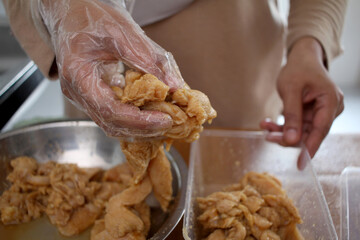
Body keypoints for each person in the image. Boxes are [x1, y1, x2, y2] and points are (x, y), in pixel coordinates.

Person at [2, 0, 346, 158]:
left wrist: (308, 45)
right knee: (105, 181)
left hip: (238, 41)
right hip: (92, 42)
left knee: (232, 179)